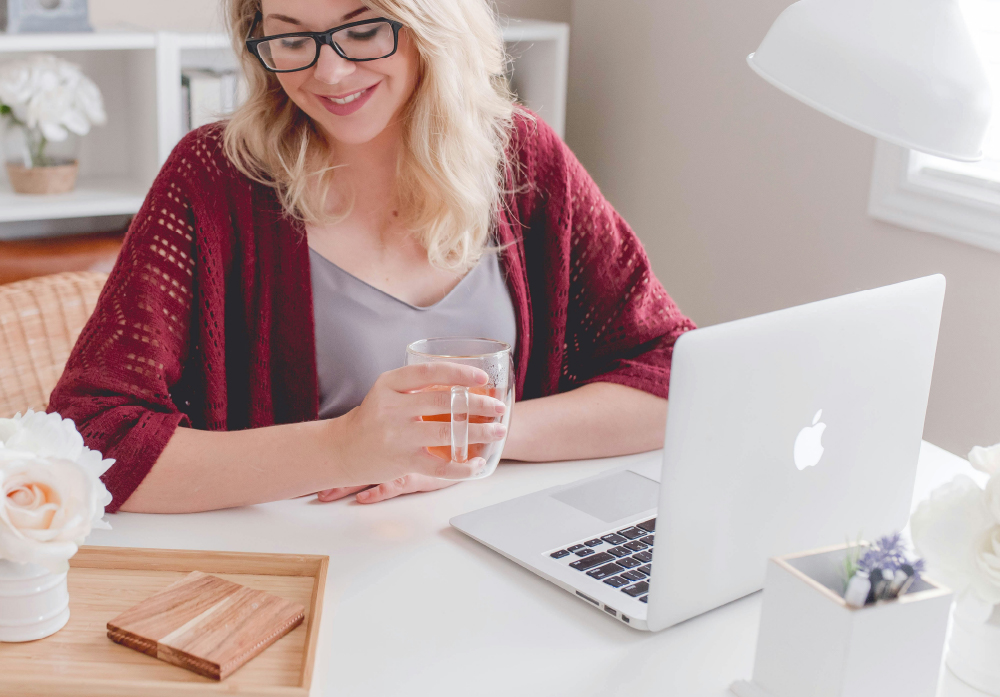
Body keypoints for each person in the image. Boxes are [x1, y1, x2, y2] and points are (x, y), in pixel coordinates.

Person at [47, 0, 695, 514]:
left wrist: (474, 439)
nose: (327, 73)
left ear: (429, 21)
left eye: (363, 29)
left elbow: (677, 375)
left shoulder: (526, 158)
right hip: (291, 580)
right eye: (292, 37)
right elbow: (89, 437)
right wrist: (344, 447)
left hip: (494, 551)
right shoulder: (212, 178)